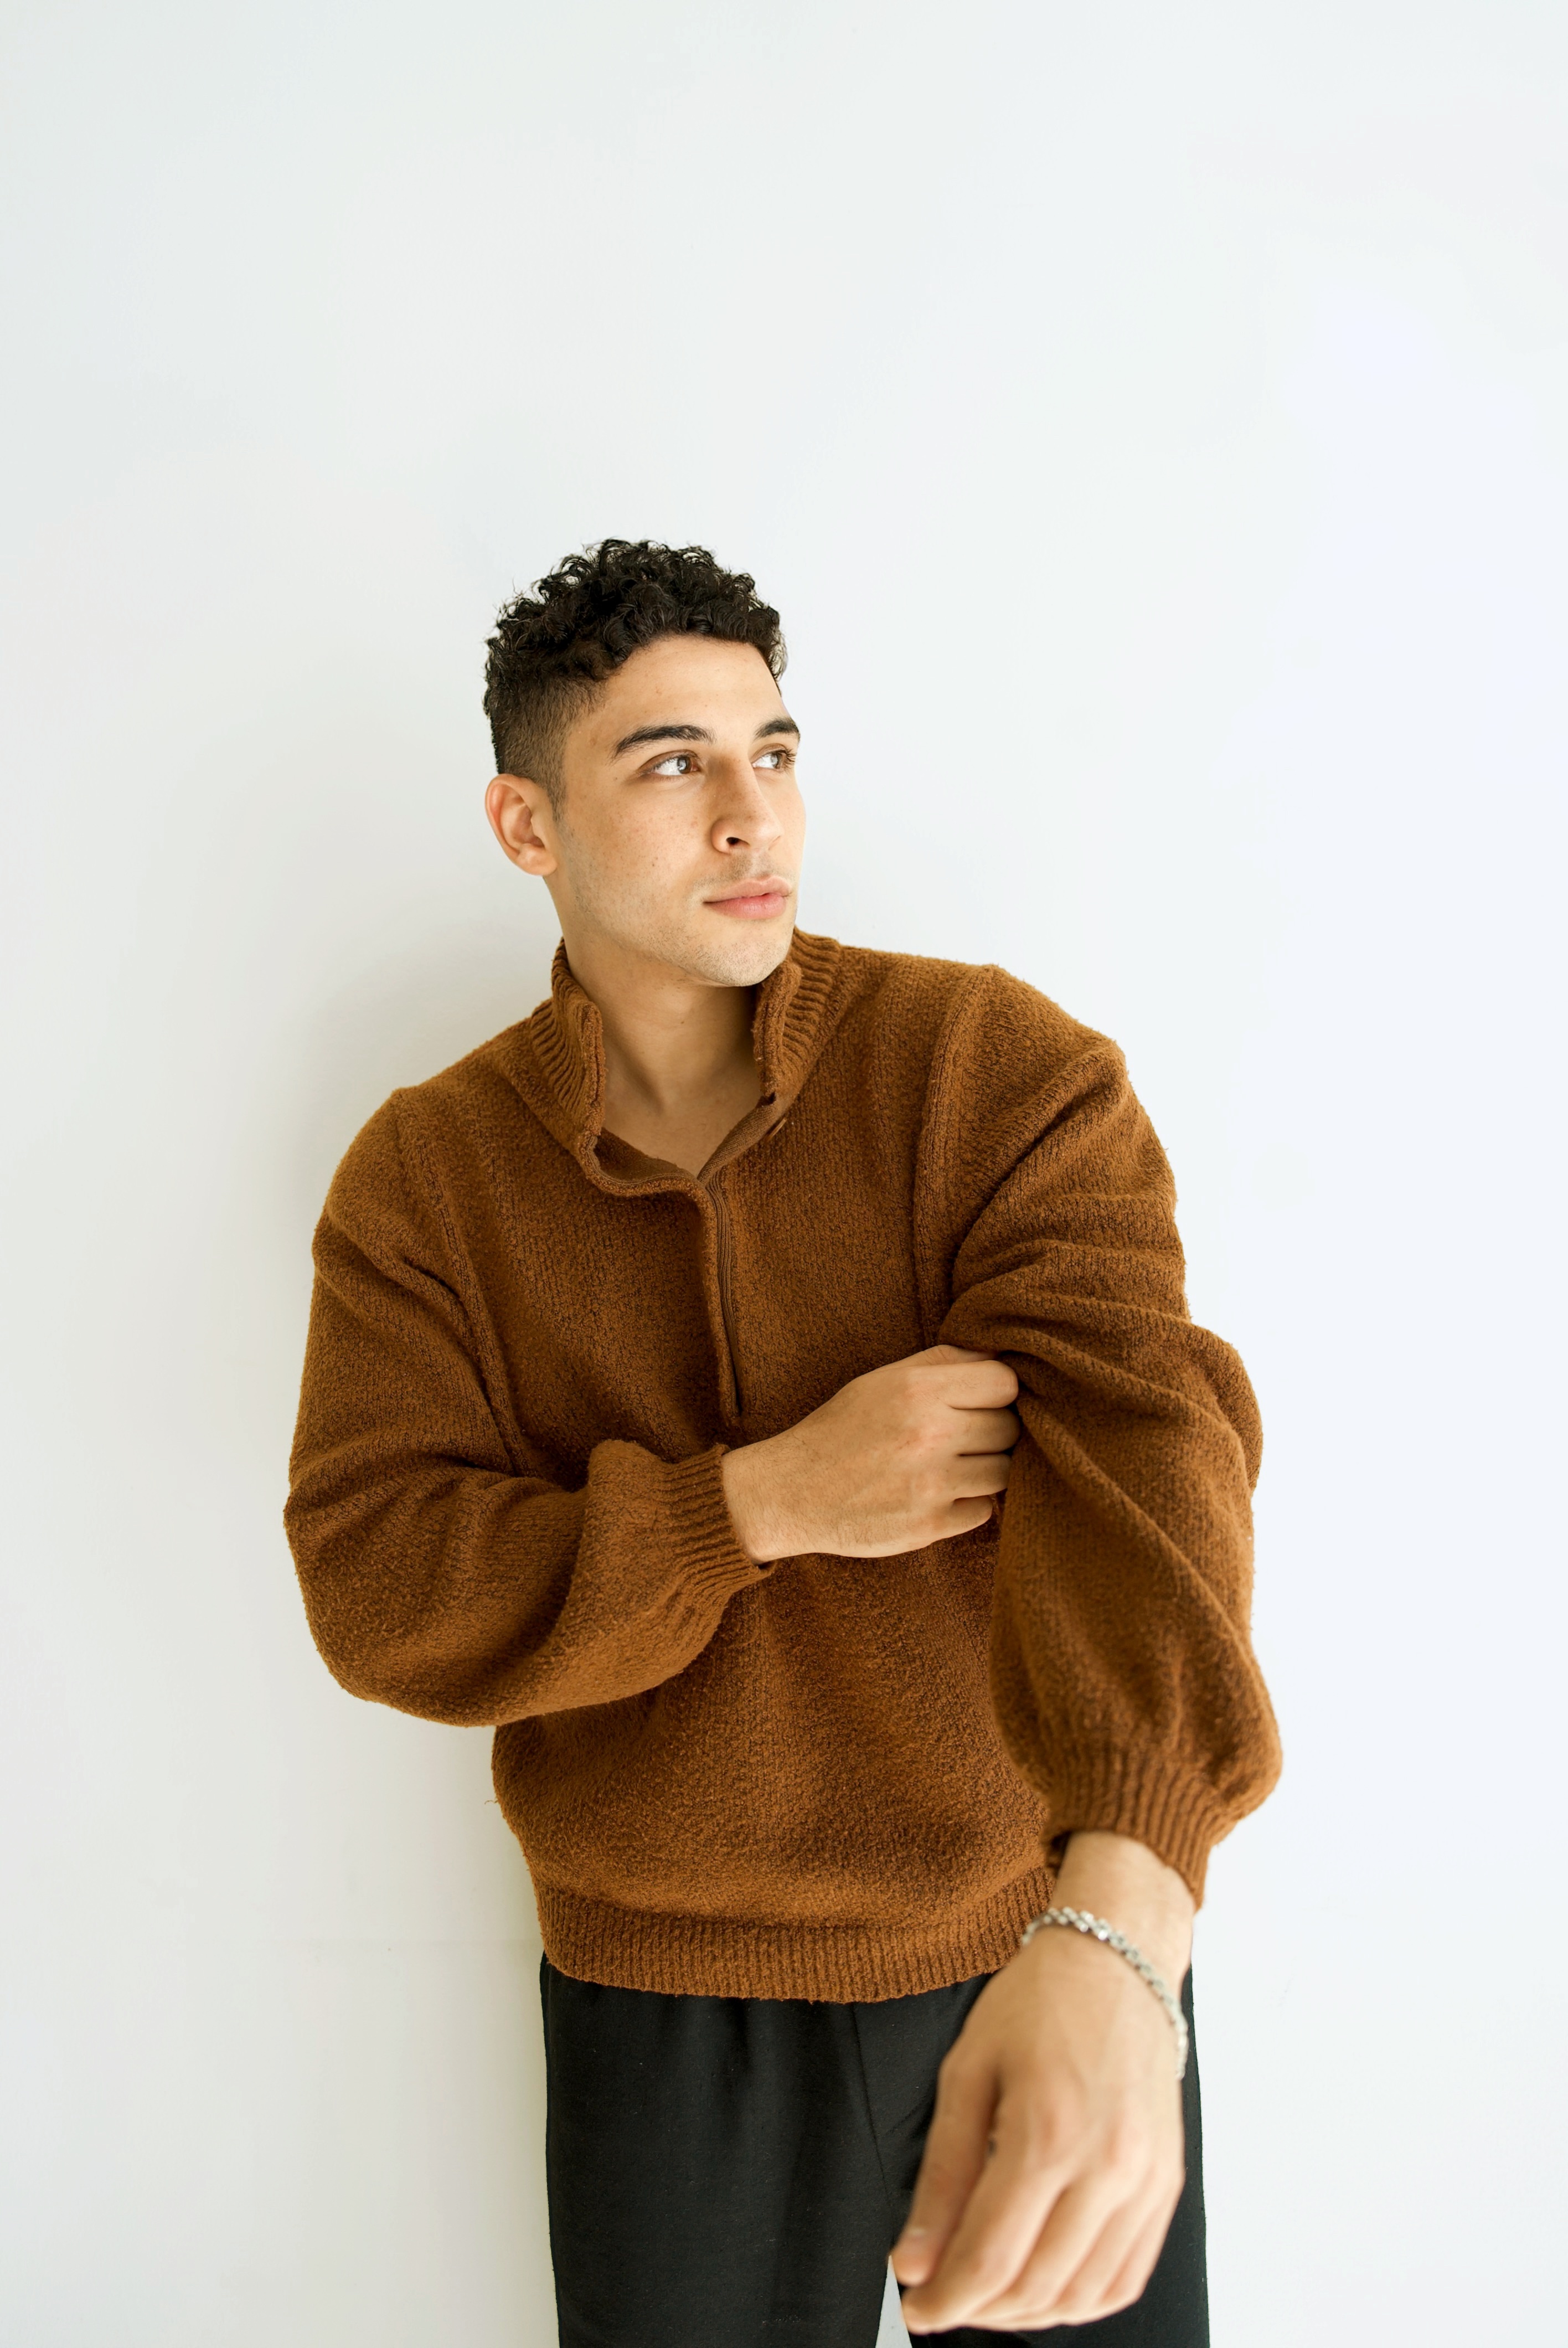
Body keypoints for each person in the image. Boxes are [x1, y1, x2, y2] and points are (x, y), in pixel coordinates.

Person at [285, 539, 1281, 2345]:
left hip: (1044, 1937)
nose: (753, 814)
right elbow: (380, 1586)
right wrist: (751, 1507)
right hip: (661, 1995)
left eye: (775, 750)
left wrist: (1132, 1910)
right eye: (672, 762)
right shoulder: (425, 1179)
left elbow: (1154, 1465)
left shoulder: (992, 1069)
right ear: (527, 825)